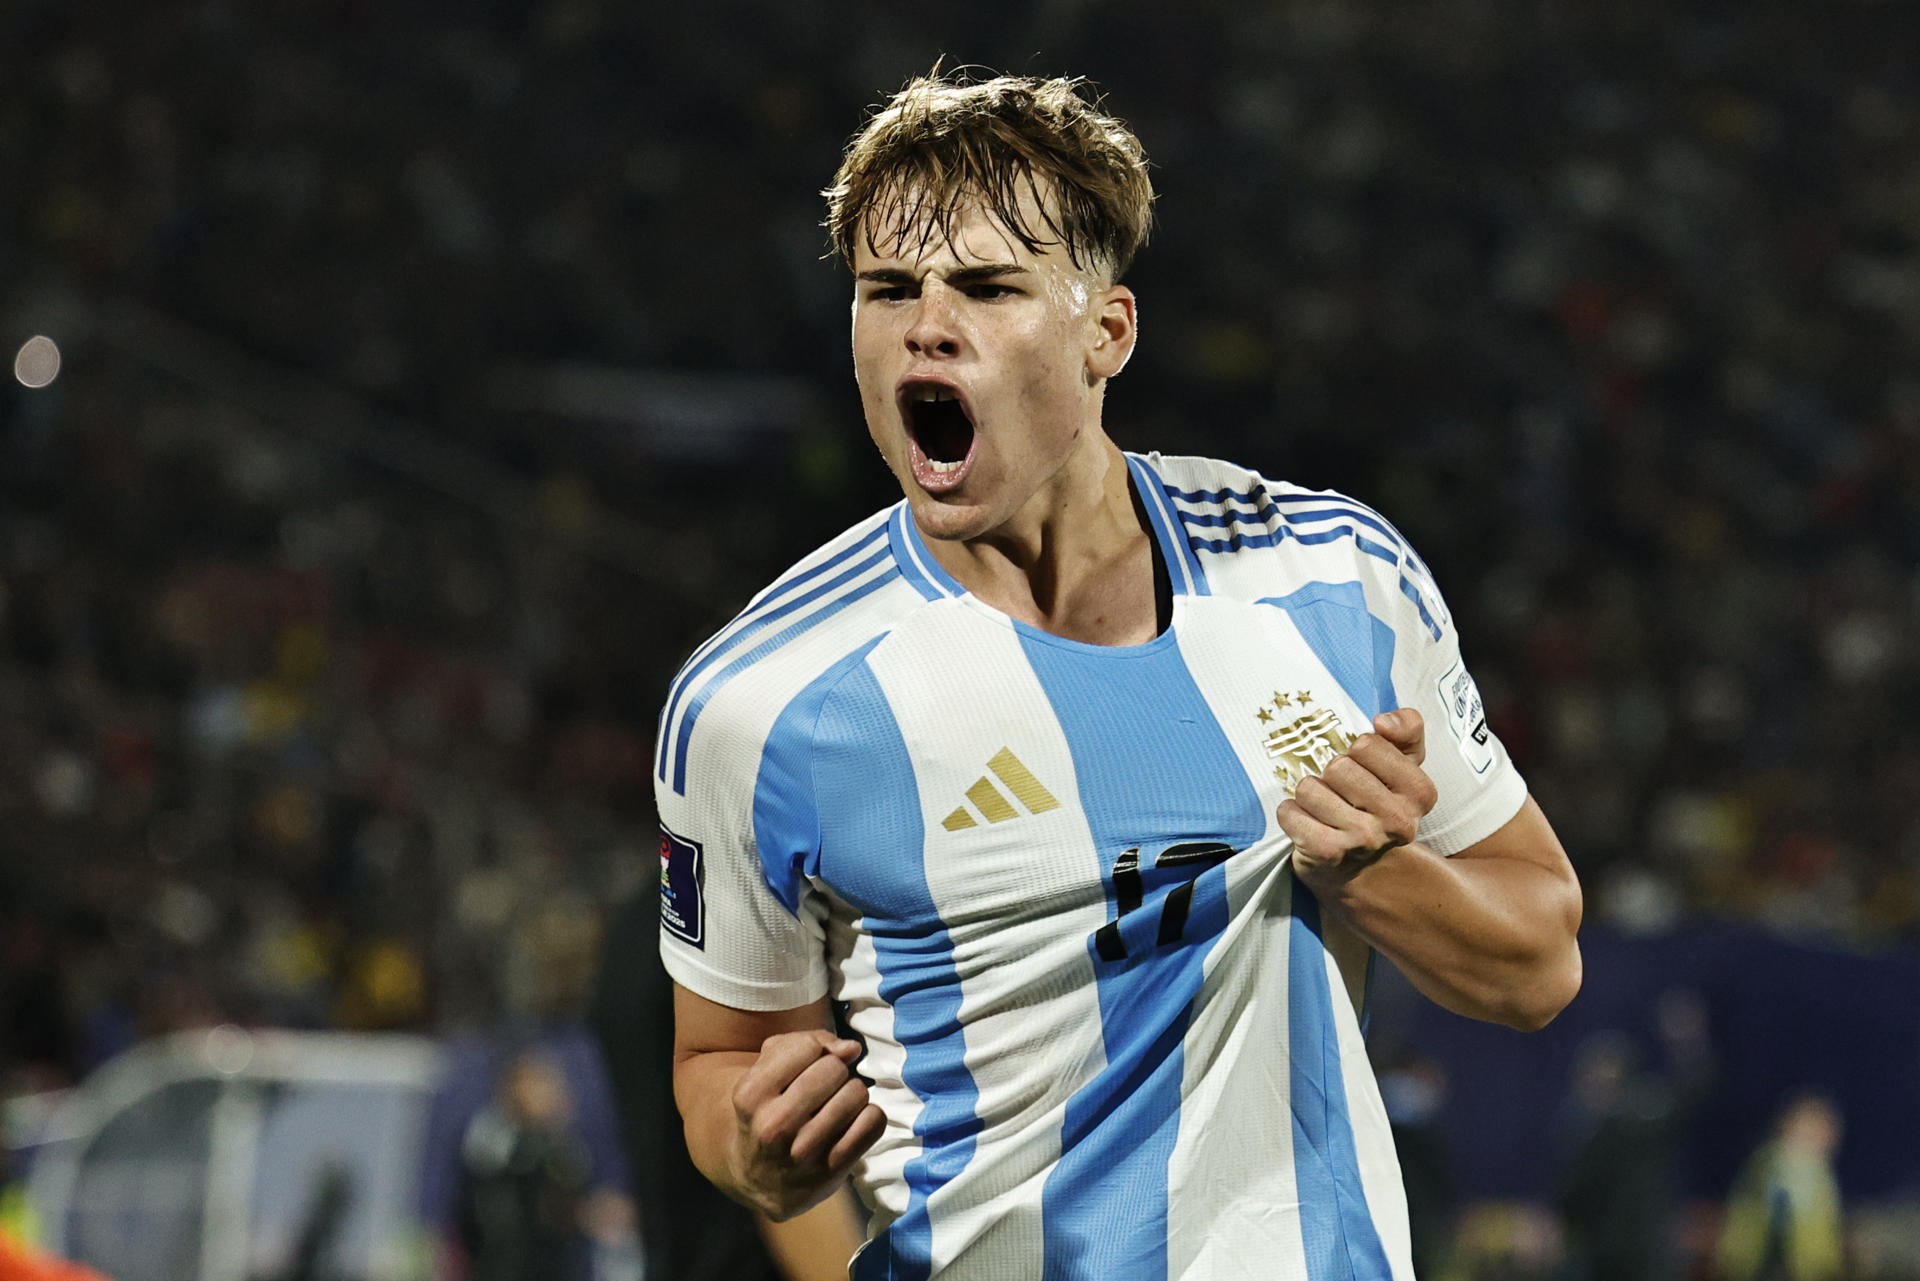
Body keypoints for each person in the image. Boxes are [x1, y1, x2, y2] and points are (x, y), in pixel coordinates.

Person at [657, 69, 1583, 1280]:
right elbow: (718, 1062)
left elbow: (1540, 964)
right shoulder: (759, 700)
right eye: (888, 292)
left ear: (1108, 332)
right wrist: (758, 1147)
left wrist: (1378, 875)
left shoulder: (1329, 576)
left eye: (987, 286)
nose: (926, 325)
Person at [1715, 1093, 1845, 1281]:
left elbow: (1826, 1218)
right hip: (1761, 1258)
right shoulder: (1772, 1164)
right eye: (1807, 1134)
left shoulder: (1820, 1173)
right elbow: (1769, 1214)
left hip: (1808, 1263)